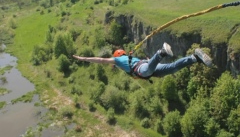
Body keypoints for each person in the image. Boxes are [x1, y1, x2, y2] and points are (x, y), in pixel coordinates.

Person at [72, 43, 212, 80]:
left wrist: (84, 59)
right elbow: (144, 61)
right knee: (173, 67)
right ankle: (194, 58)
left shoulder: (117, 60)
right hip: (149, 69)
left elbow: (101, 60)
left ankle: (161, 52)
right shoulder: (130, 57)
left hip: (143, 70)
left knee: (147, 70)